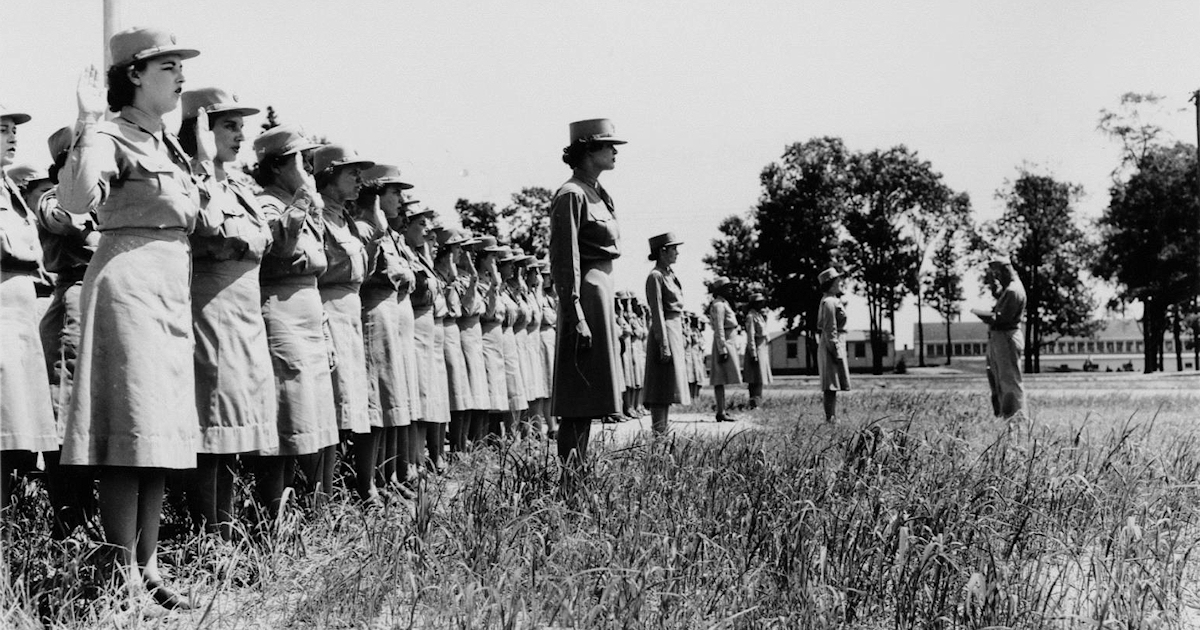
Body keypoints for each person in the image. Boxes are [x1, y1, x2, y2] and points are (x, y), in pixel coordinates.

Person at [58, 27, 205, 609]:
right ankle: (120, 576)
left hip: (168, 289)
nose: (180, 76)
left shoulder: (166, 143)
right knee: (128, 433)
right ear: (135, 76)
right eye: (168, 66)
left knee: (158, 431)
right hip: (129, 287)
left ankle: (148, 566)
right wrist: (90, 124)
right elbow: (74, 201)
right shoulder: (111, 133)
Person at [178, 87, 277, 538]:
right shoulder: (192, 176)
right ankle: (210, 530)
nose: (240, 135)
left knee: (236, 418)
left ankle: (226, 521)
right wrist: (201, 163)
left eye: (242, 126)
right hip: (211, 307)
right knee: (214, 419)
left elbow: (262, 241)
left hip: (244, 310)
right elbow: (211, 225)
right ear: (202, 130)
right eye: (228, 126)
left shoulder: (238, 183)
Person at [250, 124, 337, 518]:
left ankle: (314, 505)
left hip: (307, 306)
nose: (308, 169)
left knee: (314, 410)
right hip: (280, 309)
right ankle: (273, 512)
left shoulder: (299, 201)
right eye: (302, 161)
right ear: (280, 166)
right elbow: (280, 248)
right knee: (287, 415)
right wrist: (302, 198)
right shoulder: (267, 203)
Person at [33, 125, 99, 536]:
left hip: (103, 297)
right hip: (73, 298)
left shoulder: (102, 193)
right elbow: (70, 224)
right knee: (65, 414)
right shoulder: (52, 198)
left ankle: (89, 516)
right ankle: (69, 521)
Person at [548, 118, 625, 465]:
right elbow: (566, 257)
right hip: (585, 295)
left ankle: (577, 474)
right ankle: (569, 479)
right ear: (588, 150)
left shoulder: (598, 192)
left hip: (601, 292)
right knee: (577, 397)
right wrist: (574, 309)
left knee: (590, 397)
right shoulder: (571, 194)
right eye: (608, 145)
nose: (614, 151)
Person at [1, 104, 58, 513]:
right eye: (2, 129)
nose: (12, 136)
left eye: (13, 130)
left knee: (13, 438)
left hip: (18, 326)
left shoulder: (9, 190)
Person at [314, 143, 376, 503]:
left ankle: (334, 489)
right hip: (327, 310)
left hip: (350, 312)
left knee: (348, 404)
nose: (358, 180)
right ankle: (318, 495)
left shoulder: (345, 218)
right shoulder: (319, 216)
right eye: (350, 172)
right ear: (328, 176)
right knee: (328, 404)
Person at [356, 164, 417, 498]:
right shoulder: (366, 228)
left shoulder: (390, 234)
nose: (400, 199)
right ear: (376, 194)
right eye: (394, 192)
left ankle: (386, 477)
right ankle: (368, 483)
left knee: (390, 398)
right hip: (372, 316)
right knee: (375, 401)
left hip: (391, 316)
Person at [643, 232, 690, 434]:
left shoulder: (670, 275)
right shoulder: (656, 276)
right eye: (673, 248)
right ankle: (658, 435)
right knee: (659, 387)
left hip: (675, 330)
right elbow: (658, 311)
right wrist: (663, 343)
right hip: (664, 332)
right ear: (663, 251)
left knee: (668, 386)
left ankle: (663, 432)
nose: (677, 252)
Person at [980, 255, 1026, 420]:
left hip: (1006, 337)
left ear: (1005, 271)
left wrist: (983, 316)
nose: (997, 277)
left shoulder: (1013, 291)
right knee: (998, 378)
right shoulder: (1010, 289)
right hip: (1000, 337)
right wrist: (993, 283)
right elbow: (999, 295)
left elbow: (1000, 318)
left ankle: (1014, 417)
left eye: (997, 273)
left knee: (1008, 380)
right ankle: (1003, 415)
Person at [473, 237, 510, 441]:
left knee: (497, 387)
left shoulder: (488, 281)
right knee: (488, 387)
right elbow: (488, 312)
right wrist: (494, 284)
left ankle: (495, 435)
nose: (495, 260)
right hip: (485, 336)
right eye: (492, 256)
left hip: (496, 338)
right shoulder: (479, 282)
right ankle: (485, 437)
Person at [816, 267, 850, 422]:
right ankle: (830, 418)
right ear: (831, 283)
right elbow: (830, 329)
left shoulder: (832, 300)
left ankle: (832, 417)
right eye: (838, 280)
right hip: (831, 344)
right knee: (830, 384)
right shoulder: (829, 302)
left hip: (833, 342)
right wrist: (836, 351)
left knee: (833, 383)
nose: (840, 282)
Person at [707, 277, 741, 422]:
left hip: (728, 342)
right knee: (719, 378)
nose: (731, 289)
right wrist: (722, 349)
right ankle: (720, 411)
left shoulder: (724, 303)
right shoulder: (718, 305)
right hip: (724, 343)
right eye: (727, 287)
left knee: (722, 378)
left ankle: (722, 410)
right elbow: (719, 328)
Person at [742, 292, 772, 410]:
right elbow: (750, 336)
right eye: (759, 302)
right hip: (756, 348)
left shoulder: (760, 316)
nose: (762, 304)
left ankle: (758, 401)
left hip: (762, 347)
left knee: (760, 377)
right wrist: (753, 353)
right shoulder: (751, 316)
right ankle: (753, 403)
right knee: (754, 378)